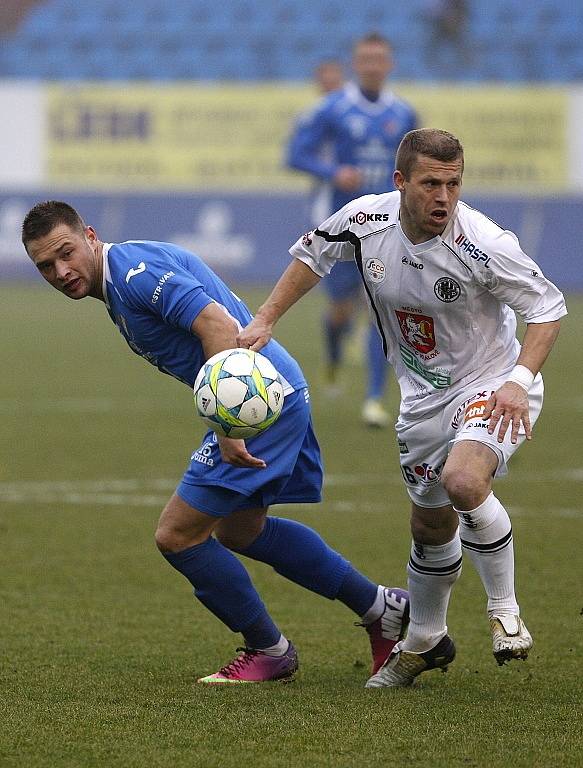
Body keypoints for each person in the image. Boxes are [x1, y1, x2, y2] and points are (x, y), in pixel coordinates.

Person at [21, 200, 409, 685]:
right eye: (45, 266)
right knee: (240, 531)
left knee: (178, 535)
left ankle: (269, 649)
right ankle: (382, 608)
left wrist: (228, 430)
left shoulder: (134, 273)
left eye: (65, 253)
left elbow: (217, 326)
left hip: (258, 403)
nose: (60, 271)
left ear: (90, 236)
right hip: (272, 392)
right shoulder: (121, 275)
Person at [238, 128, 567, 688]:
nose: (444, 197)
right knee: (429, 524)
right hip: (422, 400)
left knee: (464, 482)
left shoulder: (482, 241)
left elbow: (549, 306)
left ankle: (504, 612)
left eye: (454, 183)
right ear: (400, 183)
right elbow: (312, 255)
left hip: (492, 382)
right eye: (431, 183)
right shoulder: (367, 220)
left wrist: (518, 380)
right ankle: (424, 640)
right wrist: (266, 317)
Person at [287, 32, 417, 428]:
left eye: (380, 59)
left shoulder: (405, 114)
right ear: (356, 65)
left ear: (389, 64)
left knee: (383, 313)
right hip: (343, 225)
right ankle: (332, 355)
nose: (373, 66)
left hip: (389, 225)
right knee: (340, 312)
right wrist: (333, 172)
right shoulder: (333, 109)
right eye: (366, 59)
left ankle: (374, 399)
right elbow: (296, 154)